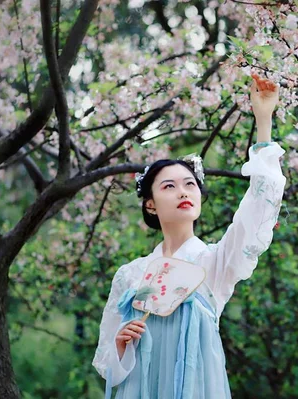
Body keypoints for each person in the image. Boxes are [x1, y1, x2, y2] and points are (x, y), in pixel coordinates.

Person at [92, 74, 286, 398]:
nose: (183, 191)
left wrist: (263, 121)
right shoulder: (129, 276)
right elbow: (109, 366)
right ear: (151, 205)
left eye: (190, 184)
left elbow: (258, 207)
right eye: (169, 185)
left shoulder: (215, 262)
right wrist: (121, 342)